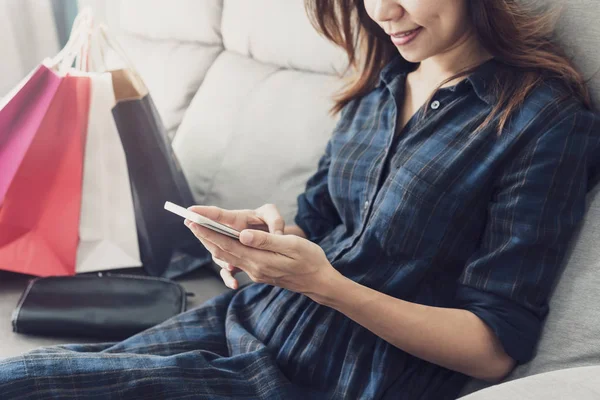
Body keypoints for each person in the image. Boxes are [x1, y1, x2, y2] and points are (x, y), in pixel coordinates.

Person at [1, 0, 599, 399]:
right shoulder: (380, 85)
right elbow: (316, 226)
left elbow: (493, 350)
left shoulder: (543, 122)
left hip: (321, 378)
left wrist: (325, 285)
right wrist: (259, 237)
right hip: (242, 321)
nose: (382, 10)